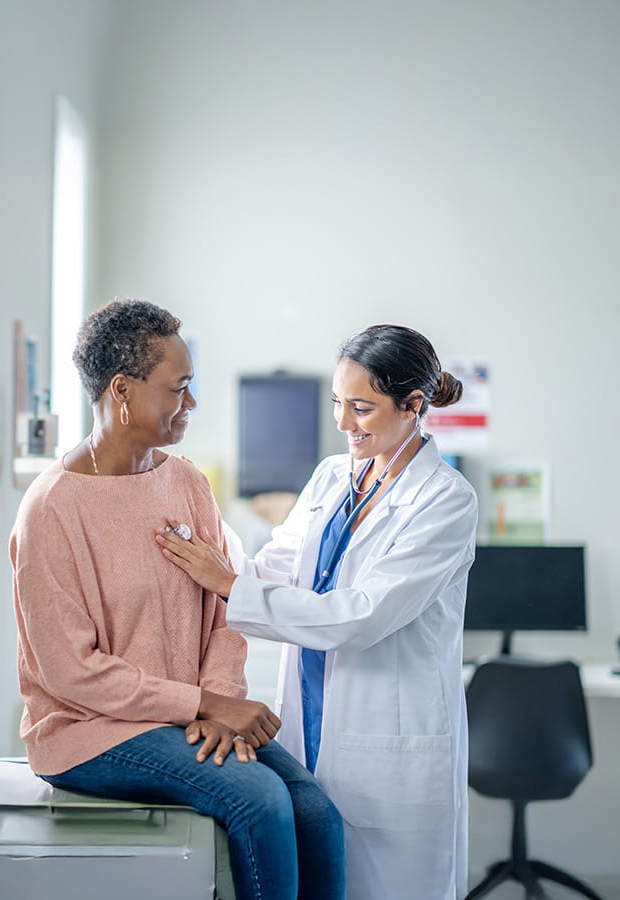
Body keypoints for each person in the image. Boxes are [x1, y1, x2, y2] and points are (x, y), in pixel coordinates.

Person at [10, 299, 345, 900]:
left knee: (316, 812)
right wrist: (202, 705)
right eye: (178, 389)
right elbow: (70, 671)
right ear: (122, 391)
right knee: (260, 800)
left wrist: (219, 705)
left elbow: (225, 610)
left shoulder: (186, 482)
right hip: (90, 731)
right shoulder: (51, 510)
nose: (191, 404)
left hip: (186, 717)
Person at [159, 324, 478, 900]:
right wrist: (196, 520)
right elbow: (273, 569)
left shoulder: (445, 500)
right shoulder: (333, 477)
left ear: (412, 406)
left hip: (390, 744)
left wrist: (228, 583)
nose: (342, 422)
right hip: (310, 727)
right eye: (337, 401)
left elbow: (358, 617)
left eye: (361, 407)